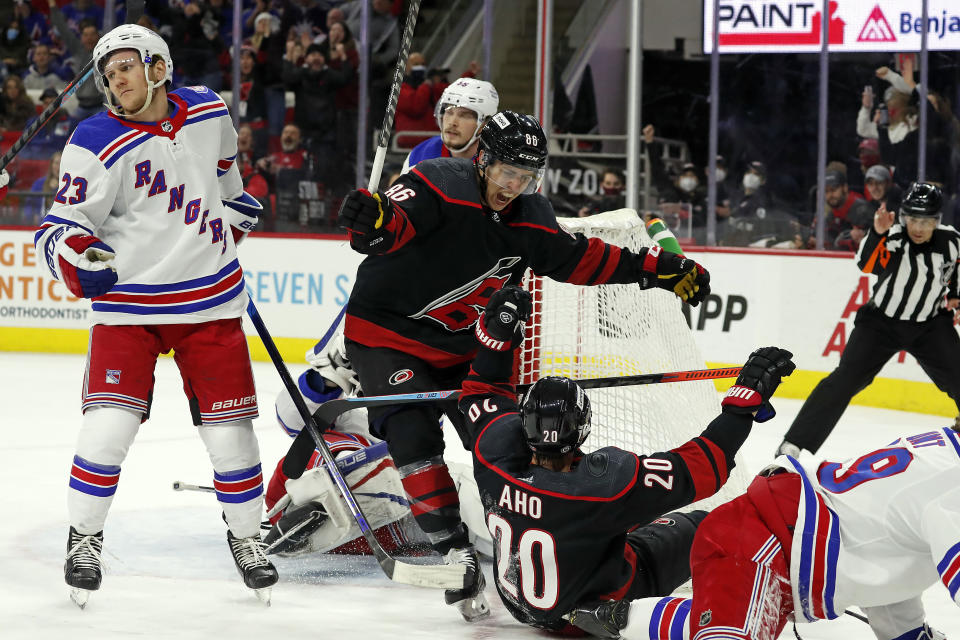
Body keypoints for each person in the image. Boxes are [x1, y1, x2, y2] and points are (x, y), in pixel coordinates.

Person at [335, 110, 712, 620]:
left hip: (467, 346)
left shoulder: (531, 216)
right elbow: (390, 227)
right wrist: (372, 222)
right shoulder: (437, 182)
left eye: (525, 175)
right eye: (506, 170)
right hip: (387, 338)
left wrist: (655, 268)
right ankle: (452, 548)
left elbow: (578, 259)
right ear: (483, 159)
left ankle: (532, 532)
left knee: (510, 437)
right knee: (410, 430)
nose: (513, 184)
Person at [31, 24, 276, 608]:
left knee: (232, 438)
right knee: (107, 430)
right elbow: (60, 228)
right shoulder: (93, 140)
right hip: (128, 308)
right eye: (108, 73)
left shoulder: (210, 111)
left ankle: (246, 539)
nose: (115, 81)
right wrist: (74, 263)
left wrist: (231, 221)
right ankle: (84, 538)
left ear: (158, 68)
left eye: (125, 68)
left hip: (210, 305)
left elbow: (228, 182)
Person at [458, 285, 796, 633]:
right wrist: (744, 401)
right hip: (587, 608)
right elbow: (704, 464)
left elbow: (482, 389)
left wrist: (496, 336)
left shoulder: (492, 452)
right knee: (701, 525)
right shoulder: (603, 485)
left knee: (598, 526)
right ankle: (610, 612)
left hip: (521, 605)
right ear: (583, 428)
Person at [595, 425, 960, 640]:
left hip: (780, 534)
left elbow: (886, 545)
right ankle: (611, 615)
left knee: (731, 618)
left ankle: (615, 615)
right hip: (757, 543)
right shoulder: (953, 487)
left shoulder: (943, 454)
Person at [261, 335, 492, 559]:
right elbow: (291, 417)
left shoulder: (421, 388)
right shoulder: (346, 407)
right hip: (297, 490)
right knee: (336, 447)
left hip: (387, 517)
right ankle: (340, 479)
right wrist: (327, 380)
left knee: (470, 490)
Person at [776, 183, 960, 459]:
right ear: (903, 217)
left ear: (937, 221)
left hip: (929, 324)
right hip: (880, 324)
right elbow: (866, 264)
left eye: (926, 221)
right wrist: (878, 233)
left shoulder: (951, 241)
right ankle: (795, 444)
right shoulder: (893, 237)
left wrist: (957, 295)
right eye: (913, 219)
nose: (918, 228)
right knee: (844, 381)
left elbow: (955, 271)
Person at [401, 77, 499, 173]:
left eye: (464, 116)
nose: (452, 122)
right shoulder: (420, 154)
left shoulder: (500, 166)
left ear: (484, 124)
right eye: (449, 112)